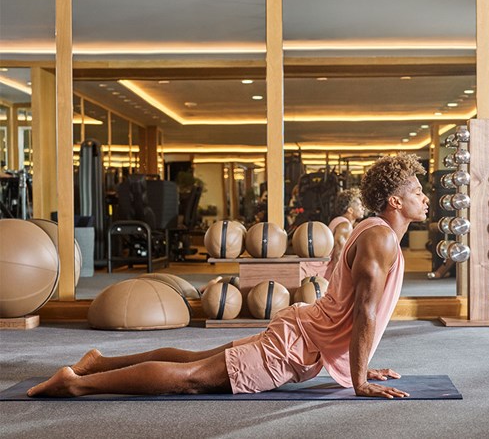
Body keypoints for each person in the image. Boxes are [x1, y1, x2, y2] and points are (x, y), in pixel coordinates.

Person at [28, 153, 429, 399]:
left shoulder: (373, 230)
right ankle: (76, 384)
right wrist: (359, 381)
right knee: (193, 378)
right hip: (295, 344)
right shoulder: (382, 240)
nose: (424, 198)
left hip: (303, 330)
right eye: (417, 192)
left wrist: (355, 364)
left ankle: (96, 363)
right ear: (396, 200)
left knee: (194, 357)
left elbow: (348, 308)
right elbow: (363, 312)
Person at [298, 187, 365, 280]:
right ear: (350, 210)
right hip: (316, 271)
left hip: (314, 269)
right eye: (359, 205)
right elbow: (338, 256)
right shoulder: (345, 226)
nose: (363, 208)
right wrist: (337, 282)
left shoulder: (338, 221)